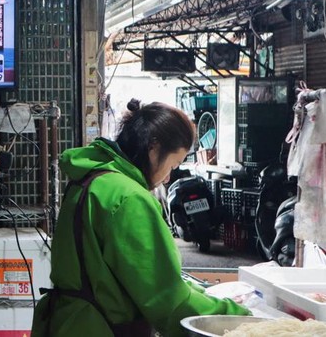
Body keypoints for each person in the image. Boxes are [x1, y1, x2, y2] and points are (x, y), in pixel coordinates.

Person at [31, 99, 249, 337]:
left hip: (68, 324)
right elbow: (167, 300)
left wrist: (200, 292)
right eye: (173, 164)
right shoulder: (129, 198)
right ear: (154, 147)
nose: (167, 178)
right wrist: (239, 318)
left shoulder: (90, 179)